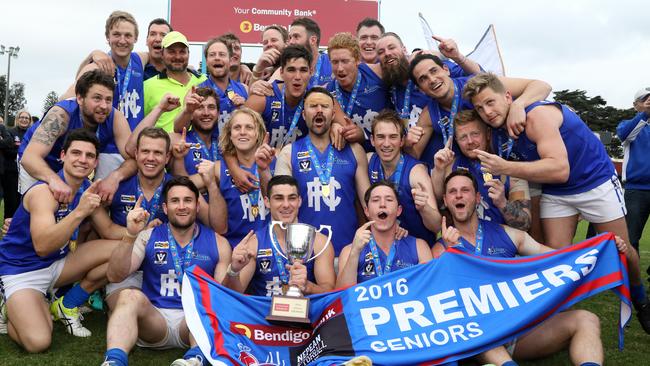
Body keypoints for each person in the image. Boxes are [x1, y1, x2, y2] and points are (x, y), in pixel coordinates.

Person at [463, 72, 650, 333]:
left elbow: (560, 168)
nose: (486, 111)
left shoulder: (536, 116)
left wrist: (507, 166)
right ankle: (560, 316)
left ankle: (640, 296)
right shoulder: (497, 128)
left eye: (490, 102)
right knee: (556, 258)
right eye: (480, 108)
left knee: (623, 250)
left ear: (508, 96)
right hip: (557, 191)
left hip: (594, 182)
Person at [434, 169, 625, 366]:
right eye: (452, 191)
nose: (458, 195)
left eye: (465, 190)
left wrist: (603, 248)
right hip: (480, 334)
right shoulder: (441, 249)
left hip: (519, 329)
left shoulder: (506, 233)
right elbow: (441, 304)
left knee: (586, 319)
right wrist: (453, 255)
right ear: (446, 201)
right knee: (481, 333)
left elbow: (557, 258)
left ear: (477, 197)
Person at [0, 129, 121, 350]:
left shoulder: (85, 188)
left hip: (57, 266)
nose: (83, 160)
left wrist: (142, 231)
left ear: (95, 162)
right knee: (38, 342)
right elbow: (43, 247)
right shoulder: (43, 192)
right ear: (63, 155)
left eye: (90, 156)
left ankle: (67, 304)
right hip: (22, 272)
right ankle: (9, 305)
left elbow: (110, 230)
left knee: (123, 250)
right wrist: (79, 212)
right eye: (76, 153)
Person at [102, 176, 232, 366]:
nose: (181, 206)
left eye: (188, 200)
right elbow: (115, 275)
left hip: (192, 322)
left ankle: (195, 358)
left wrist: (234, 270)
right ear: (165, 208)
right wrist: (130, 235)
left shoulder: (219, 243)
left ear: (197, 206)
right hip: (155, 320)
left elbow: (220, 297)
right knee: (129, 295)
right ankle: (114, 361)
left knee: (213, 301)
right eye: (174, 201)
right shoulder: (148, 236)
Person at [258, 87, 370, 255]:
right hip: (305, 253)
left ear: (333, 115)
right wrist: (263, 170)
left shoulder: (355, 151)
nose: (319, 110)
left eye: (324, 106)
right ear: (304, 115)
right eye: (313, 106)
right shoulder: (289, 153)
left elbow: (368, 202)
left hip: (348, 251)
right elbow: (278, 201)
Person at [406, 54, 551, 168]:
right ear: (420, 89)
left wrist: (518, 105)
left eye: (434, 71)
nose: (432, 79)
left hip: (515, 161)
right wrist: (408, 143)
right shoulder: (428, 114)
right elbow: (413, 155)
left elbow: (541, 86)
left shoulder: (475, 85)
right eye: (423, 79)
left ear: (446, 69)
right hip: (470, 173)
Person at [21, 69, 132, 203]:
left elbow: (134, 159)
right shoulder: (61, 115)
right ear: (79, 98)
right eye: (97, 98)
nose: (104, 106)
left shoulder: (115, 118)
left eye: (108, 100)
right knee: (38, 204)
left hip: (74, 163)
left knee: (84, 211)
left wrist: (115, 177)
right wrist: (54, 179)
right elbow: (30, 158)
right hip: (41, 160)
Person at [225, 175, 335, 297]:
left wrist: (308, 286)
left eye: (292, 198)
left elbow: (330, 293)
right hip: (263, 314)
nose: (286, 205)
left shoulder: (318, 242)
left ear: (299, 201)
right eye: (279, 198)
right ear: (267, 202)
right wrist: (233, 271)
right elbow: (230, 297)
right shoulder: (254, 244)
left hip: (307, 313)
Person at [176, 107, 270, 248]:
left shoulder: (276, 159)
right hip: (234, 249)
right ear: (230, 135)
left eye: (249, 127)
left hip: (271, 249)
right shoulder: (219, 168)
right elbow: (182, 186)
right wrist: (210, 187)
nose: (242, 132)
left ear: (259, 133)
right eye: (237, 128)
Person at [432, 109, 531, 231]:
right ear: (456, 141)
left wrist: (502, 203)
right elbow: (437, 203)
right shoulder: (449, 166)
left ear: (488, 134)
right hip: (462, 243)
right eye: (463, 137)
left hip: (499, 244)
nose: (470, 141)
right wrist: (438, 169)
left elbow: (525, 224)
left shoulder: (511, 169)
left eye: (475, 134)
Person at [376, 32, 480, 132]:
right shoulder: (390, 86)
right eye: (381, 52)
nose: (387, 53)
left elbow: (480, 76)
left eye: (391, 47)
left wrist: (457, 56)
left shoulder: (430, 67)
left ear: (404, 49)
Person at [337, 181, 432, 287]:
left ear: (398, 210)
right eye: (376, 200)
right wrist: (354, 253)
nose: (382, 204)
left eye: (389, 200)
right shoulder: (349, 251)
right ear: (367, 211)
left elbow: (430, 288)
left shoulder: (419, 247)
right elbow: (341, 296)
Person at [367, 109, 440, 245]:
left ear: (402, 141)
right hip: (383, 247)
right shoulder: (369, 161)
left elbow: (437, 226)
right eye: (381, 137)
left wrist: (425, 208)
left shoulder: (416, 173)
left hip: (416, 250)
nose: (387, 144)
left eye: (393, 137)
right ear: (372, 140)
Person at [326, 32, 390, 152]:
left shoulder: (377, 73)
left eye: (345, 61)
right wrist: (333, 126)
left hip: (385, 151)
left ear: (357, 60)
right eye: (335, 62)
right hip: (353, 156)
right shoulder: (328, 92)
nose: (340, 68)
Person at [144, 31, 206, 133]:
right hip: (163, 147)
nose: (177, 57)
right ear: (162, 54)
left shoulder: (204, 81)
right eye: (172, 52)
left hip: (198, 148)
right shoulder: (147, 86)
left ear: (188, 54)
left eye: (182, 52)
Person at [617, 87, 650, 255]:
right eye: (645, 99)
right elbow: (625, 134)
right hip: (636, 190)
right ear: (635, 105)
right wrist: (645, 114)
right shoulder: (627, 125)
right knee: (630, 238)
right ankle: (630, 277)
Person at [195, 37, 248, 135]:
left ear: (231, 60)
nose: (217, 58)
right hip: (209, 149)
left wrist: (245, 108)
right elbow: (178, 128)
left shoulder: (244, 89)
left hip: (237, 148)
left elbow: (254, 125)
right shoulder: (197, 91)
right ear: (206, 61)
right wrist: (188, 110)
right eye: (212, 55)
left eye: (222, 54)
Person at [172, 87, 222, 176]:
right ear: (191, 114)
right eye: (199, 107)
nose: (206, 113)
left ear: (218, 114)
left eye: (211, 107)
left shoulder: (224, 145)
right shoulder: (177, 140)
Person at [3, 109, 32, 217]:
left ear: (29, 121)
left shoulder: (32, 133)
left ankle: (22, 227)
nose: (24, 120)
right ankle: (8, 228)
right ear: (17, 119)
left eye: (26, 118)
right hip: (11, 172)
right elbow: (7, 150)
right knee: (11, 201)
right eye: (22, 117)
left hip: (27, 174)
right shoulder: (10, 132)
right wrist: (23, 152)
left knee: (24, 201)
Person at [288, 17, 332, 87]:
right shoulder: (286, 64)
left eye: (296, 37)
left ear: (313, 40)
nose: (291, 42)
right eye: (290, 37)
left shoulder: (331, 62)